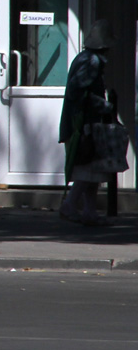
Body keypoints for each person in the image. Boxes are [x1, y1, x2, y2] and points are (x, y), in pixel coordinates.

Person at [58, 20, 118, 226]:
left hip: (84, 122)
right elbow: (78, 92)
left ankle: (89, 211)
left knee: (93, 170)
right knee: (87, 169)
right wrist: (104, 106)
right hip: (84, 124)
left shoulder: (84, 58)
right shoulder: (91, 61)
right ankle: (70, 204)